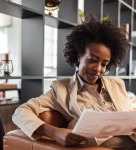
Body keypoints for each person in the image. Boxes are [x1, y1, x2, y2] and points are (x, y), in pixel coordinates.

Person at [12, 17, 136, 149]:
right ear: (79, 56)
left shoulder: (117, 84)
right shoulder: (61, 89)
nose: (98, 69)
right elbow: (20, 112)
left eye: (104, 64)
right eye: (92, 60)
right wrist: (54, 132)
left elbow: (129, 110)